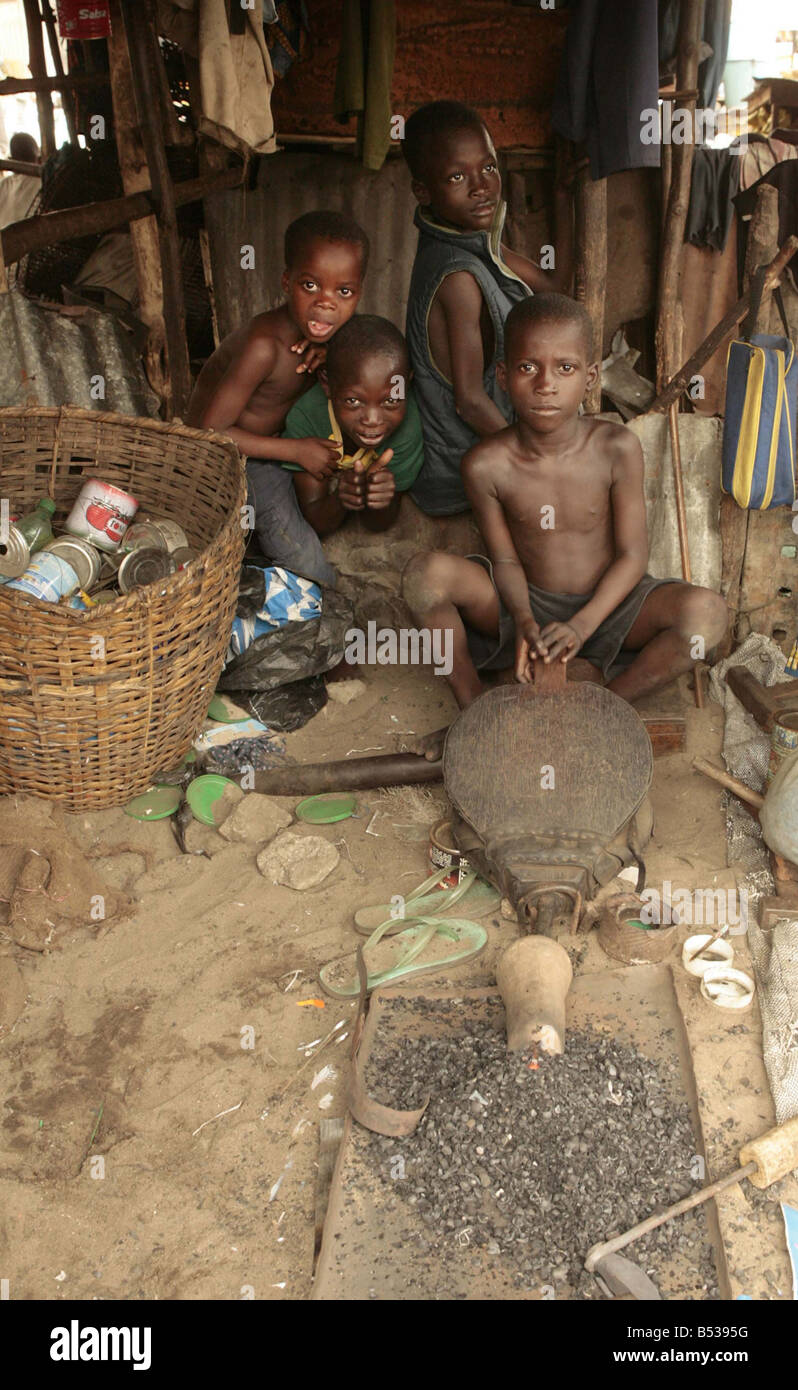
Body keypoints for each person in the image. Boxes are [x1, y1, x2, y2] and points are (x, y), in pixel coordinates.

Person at [403, 293, 727, 753]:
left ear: (590, 377)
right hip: (523, 603)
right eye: (527, 368)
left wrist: (582, 625)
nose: (546, 385)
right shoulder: (486, 464)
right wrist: (525, 620)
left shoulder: (616, 447)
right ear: (501, 374)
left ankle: (605, 707)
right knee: (423, 576)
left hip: (611, 607)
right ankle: (475, 712)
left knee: (707, 616)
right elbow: (506, 560)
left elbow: (634, 557)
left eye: (566, 369)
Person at [402, 100, 568, 518]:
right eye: (458, 176)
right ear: (423, 191)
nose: (481, 187)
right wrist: (538, 460)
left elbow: (549, 290)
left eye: (489, 168)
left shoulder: (470, 240)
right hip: (460, 473)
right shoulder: (457, 277)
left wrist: (564, 201)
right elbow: (470, 402)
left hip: (490, 447)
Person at [186, 210, 369, 584]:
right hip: (233, 458)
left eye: (343, 291)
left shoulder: (328, 339)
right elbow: (211, 432)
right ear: (287, 282)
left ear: (357, 293)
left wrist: (333, 355)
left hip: (275, 445)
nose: (326, 303)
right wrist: (296, 451)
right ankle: (316, 591)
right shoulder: (264, 346)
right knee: (302, 556)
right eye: (310, 286)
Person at [280, 315, 424, 542]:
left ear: (406, 384)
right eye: (353, 401)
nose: (373, 420)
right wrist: (340, 499)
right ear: (327, 384)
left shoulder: (406, 428)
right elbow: (314, 520)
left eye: (390, 401)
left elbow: (378, 524)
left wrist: (379, 499)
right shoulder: (308, 418)